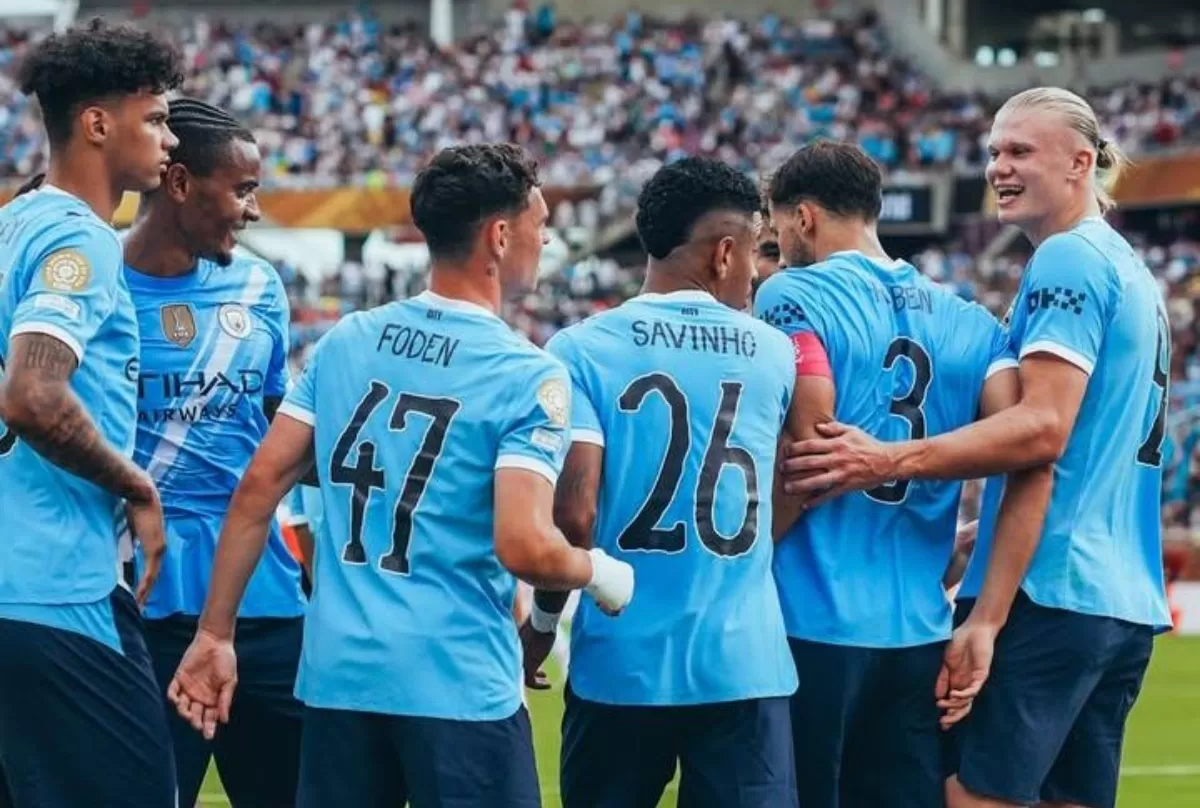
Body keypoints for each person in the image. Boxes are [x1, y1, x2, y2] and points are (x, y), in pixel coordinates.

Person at [166, 143, 635, 808]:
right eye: (540, 225)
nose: (547, 239)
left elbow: (258, 488)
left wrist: (215, 634)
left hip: (340, 680)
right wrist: (601, 572)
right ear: (500, 237)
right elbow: (526, 546)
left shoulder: (346, 340)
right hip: (456, 681)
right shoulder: (526, 373)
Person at [781, 88, 1170, 808]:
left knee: (971, 797)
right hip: (1122, 599)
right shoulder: (1129, 269)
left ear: (1080, 162)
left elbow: (1041, 432)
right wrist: (979, 528)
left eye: (1020, 151)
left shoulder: (1067, 259)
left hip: (1049, 585)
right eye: (994, 152)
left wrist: (887, 459)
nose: (999, 167)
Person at [754, 140, 1041, 808]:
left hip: (809, 621)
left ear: (803, 217)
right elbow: (1023, 444)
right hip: (918, 630)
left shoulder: (790, 293)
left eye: (777, 228)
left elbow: (808, 451)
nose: (779, 245)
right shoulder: (973, 322)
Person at [523, 157, 800, 808]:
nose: (755, 270)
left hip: (621, 661)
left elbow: (574, 516)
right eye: (755, 250)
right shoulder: (773, 351)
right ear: (724, 252)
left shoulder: (580, 347)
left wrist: (541, 624)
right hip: (742, 661)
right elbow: (797, 478)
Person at [0, 20, 183, 808]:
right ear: (99, 124)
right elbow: (33, 394)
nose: (170, 140)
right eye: (157, 119)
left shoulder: (11, 225)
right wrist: (135, 484)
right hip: (53, 591)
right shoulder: (82, 238)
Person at [121, 96, 305, 808]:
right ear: (179, 183)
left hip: (265, 600)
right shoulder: (96, 284)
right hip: (143, 602)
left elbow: (281, 436)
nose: (253, 211)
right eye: (242, 190)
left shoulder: (260, 286)